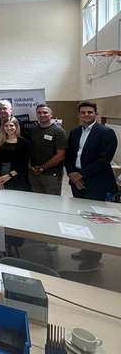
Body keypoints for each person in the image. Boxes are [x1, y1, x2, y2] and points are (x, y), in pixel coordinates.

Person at [65, 102, 118, 269]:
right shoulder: (74, 132)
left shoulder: (106, 132)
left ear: (96, 113)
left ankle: (94, 256)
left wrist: (81, 174)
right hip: (76, 181)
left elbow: (104, 159)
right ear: (79, 115)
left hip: (96, 182)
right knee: (81, 216)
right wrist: (72, 174)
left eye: (89, 112)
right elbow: (69, 155)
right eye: (83, 112)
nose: (86, 115)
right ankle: (85, 248)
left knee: (95, 219)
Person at [28, 104, 68, 195]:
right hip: (34, 174)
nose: (42, 115)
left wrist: (42, 168)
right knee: (37, 200)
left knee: (52, 201)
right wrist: (29, 165)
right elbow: (29, 150)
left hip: (51, 175)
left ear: (51, 114)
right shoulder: (32, 130)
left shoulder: (58, 131)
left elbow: (60, 155)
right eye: (39, 113)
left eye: (45, 112)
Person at [0, 116, 31, 192]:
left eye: (11, 125)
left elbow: (24, 163)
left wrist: (9, 175)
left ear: (16, 126)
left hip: (16, 177)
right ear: (3, 127)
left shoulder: (24, 142)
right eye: (6, 125)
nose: (9, 128)